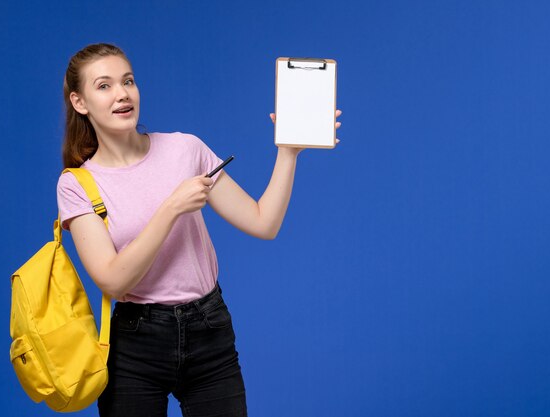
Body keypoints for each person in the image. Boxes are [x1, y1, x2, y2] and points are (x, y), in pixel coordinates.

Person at [57, 43, 341, 417]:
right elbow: (112, 281)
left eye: (128, 81)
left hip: (209, 330)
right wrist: (172, 208)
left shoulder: (184, 150)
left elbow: (263, 222)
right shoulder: (77, 185)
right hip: (135, 342)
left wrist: (288, 153)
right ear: (80, 102)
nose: (123, 93)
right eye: (104, 86)